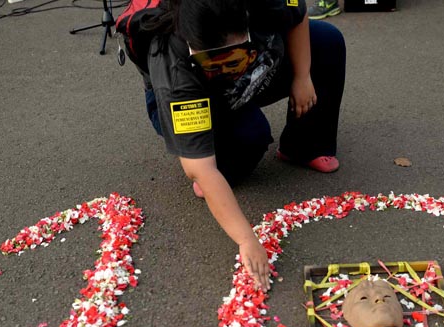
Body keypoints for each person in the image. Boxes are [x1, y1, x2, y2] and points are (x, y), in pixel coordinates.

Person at [140, 0, 346, 291]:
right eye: (212, 61)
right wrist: (246, 239)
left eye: (235, 55)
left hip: (256, 70)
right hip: (203, 102)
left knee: (326, 39)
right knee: (248, 140)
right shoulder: (174, 70)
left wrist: (302, 75)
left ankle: (303, 145)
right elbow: (201, 169)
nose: (226, 68)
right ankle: (221, 155)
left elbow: (297, 14)